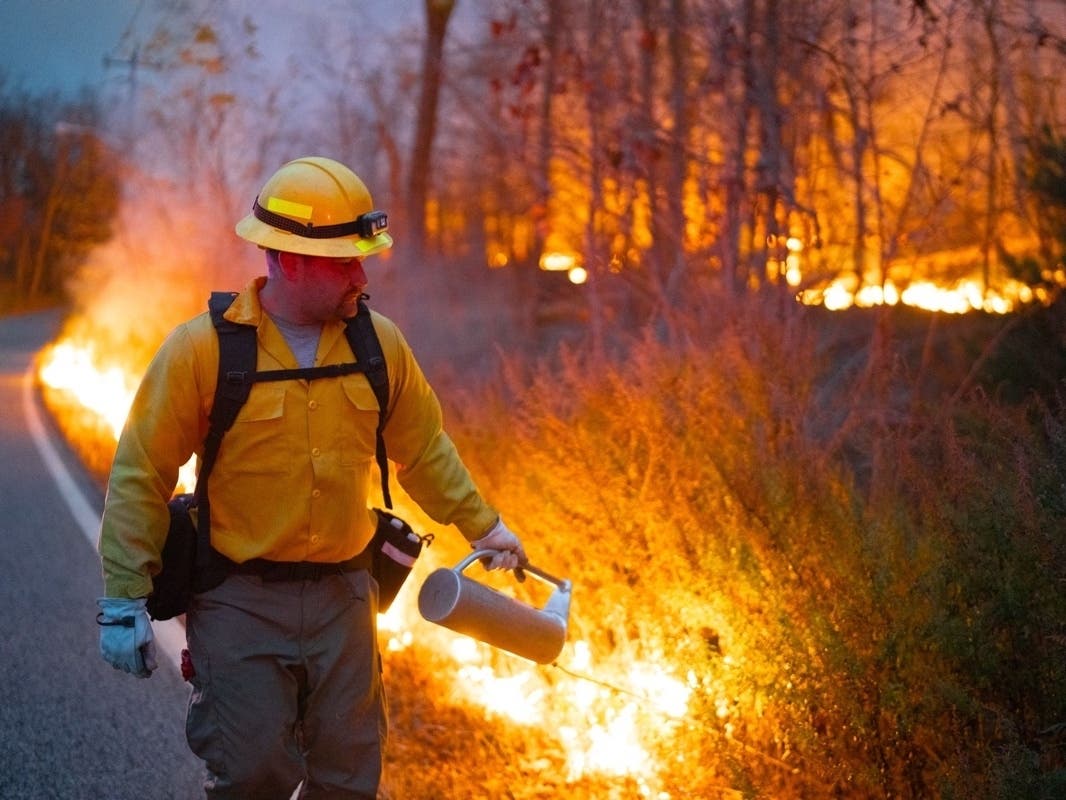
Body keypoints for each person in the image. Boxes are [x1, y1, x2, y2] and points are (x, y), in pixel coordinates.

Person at [95, 156, 528, 798]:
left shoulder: (378, 346)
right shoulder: (203, 351)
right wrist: (123, 595)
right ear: (288, 261)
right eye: (345, 262)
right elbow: (141, 471)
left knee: (349, 780)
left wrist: (485, 529)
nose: (361, 274)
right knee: (252, 776)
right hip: (238, 599)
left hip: (346, 601)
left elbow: (425, 450)